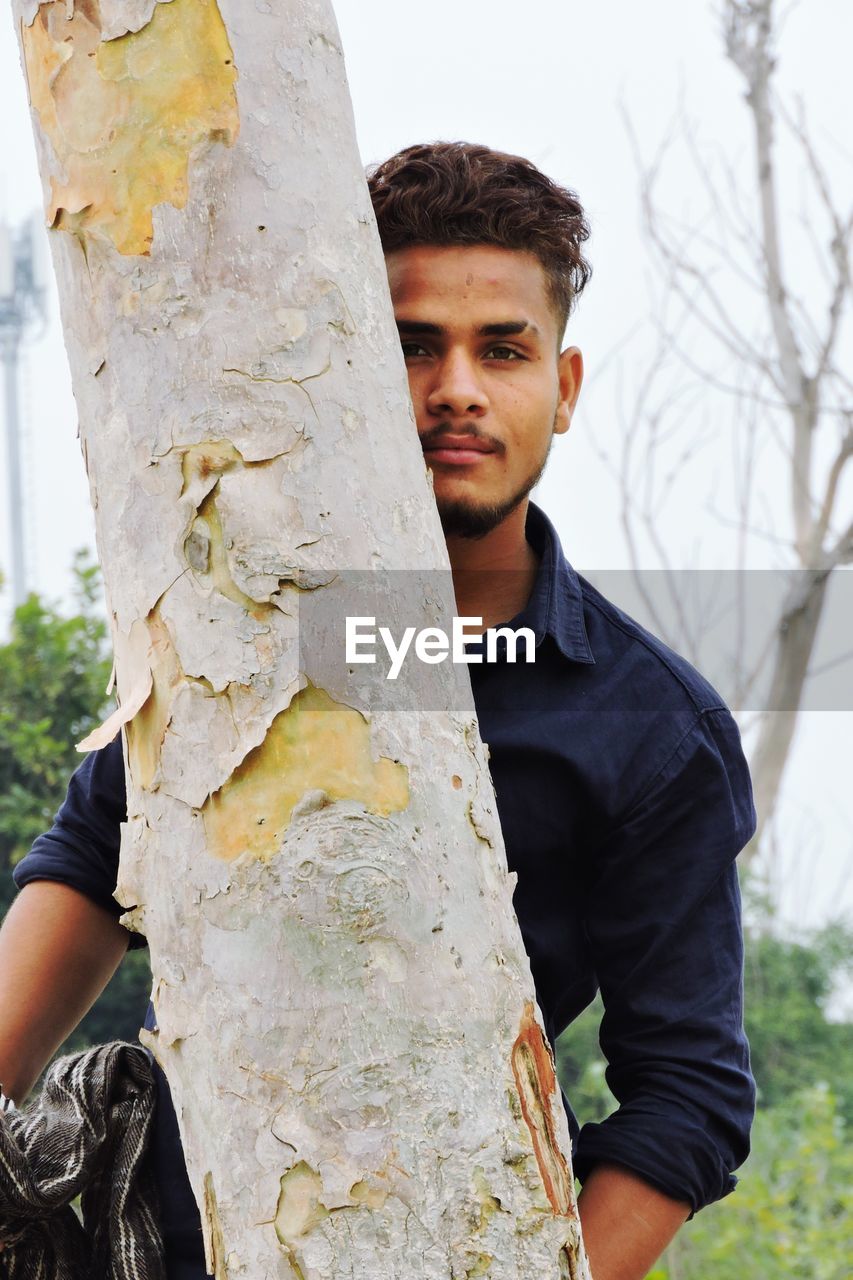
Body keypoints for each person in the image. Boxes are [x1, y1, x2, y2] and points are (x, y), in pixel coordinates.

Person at [0, 142, 756, 1280]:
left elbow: (689, 1095)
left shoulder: (650, 728)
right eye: (411, 345)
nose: (457, 385)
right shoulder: (236, 633)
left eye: (502, 348)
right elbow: (94, 861)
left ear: (563, 386)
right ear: (348, 366)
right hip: (135, 1236)